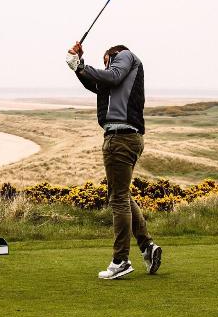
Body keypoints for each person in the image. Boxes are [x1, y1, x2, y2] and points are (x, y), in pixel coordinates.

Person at [66, 41, 162, 279]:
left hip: (120, 139)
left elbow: (112, 76)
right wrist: (79, 67)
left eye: (106, 61)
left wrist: (82, 66)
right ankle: (147, 246)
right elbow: (98, 84)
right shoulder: (116, 76)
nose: (106, 66)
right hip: (124, 138)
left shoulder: (124, 56)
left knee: (118, 199)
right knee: (121, 195)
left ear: (112, 54)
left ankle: (121, 260)